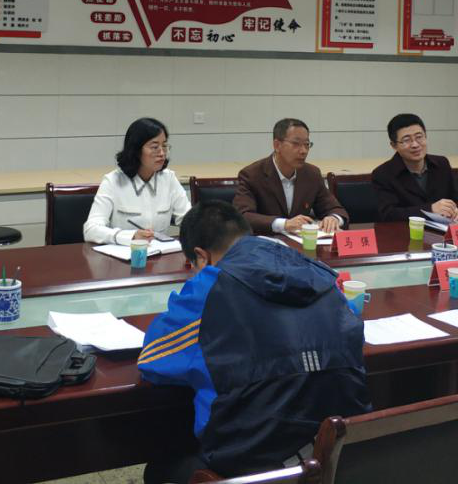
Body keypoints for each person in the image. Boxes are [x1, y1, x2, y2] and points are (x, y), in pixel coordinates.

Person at [138, 200, 370, 483]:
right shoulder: (318, 272)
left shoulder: (211, 286)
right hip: (338, 455)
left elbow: (153, 360)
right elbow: (351, 325)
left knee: (161, 466)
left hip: (256, 465)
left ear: (201, 256)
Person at [83, 117, 191, 245]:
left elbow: (188, 219)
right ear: (136, 150)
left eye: (164, 146)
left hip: (161, 253)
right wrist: (131, 236)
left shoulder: (169, 178)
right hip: (124, 254)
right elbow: (91, 229)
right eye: (155, 147)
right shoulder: (113, 181)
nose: (162, 153)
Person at [232, 118, 349, 235]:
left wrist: (334, 218)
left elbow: (336, 210)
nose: (303, 151)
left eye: (307, 144)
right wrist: (284, 224)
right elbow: (242, 216)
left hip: (300, 243)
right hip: (266, 242)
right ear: (277, 145)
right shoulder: (252, 175)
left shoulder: (311, 174)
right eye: (296, 144)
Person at [371, 113, 458, 222]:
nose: (415, 144)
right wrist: (430, 209)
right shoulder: (383, 174)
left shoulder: (442, 164)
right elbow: (388, 214)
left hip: (444, 229)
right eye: (406, 140)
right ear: (394, 145)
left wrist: (457, 211)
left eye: (419, 137)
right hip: (407, 231)